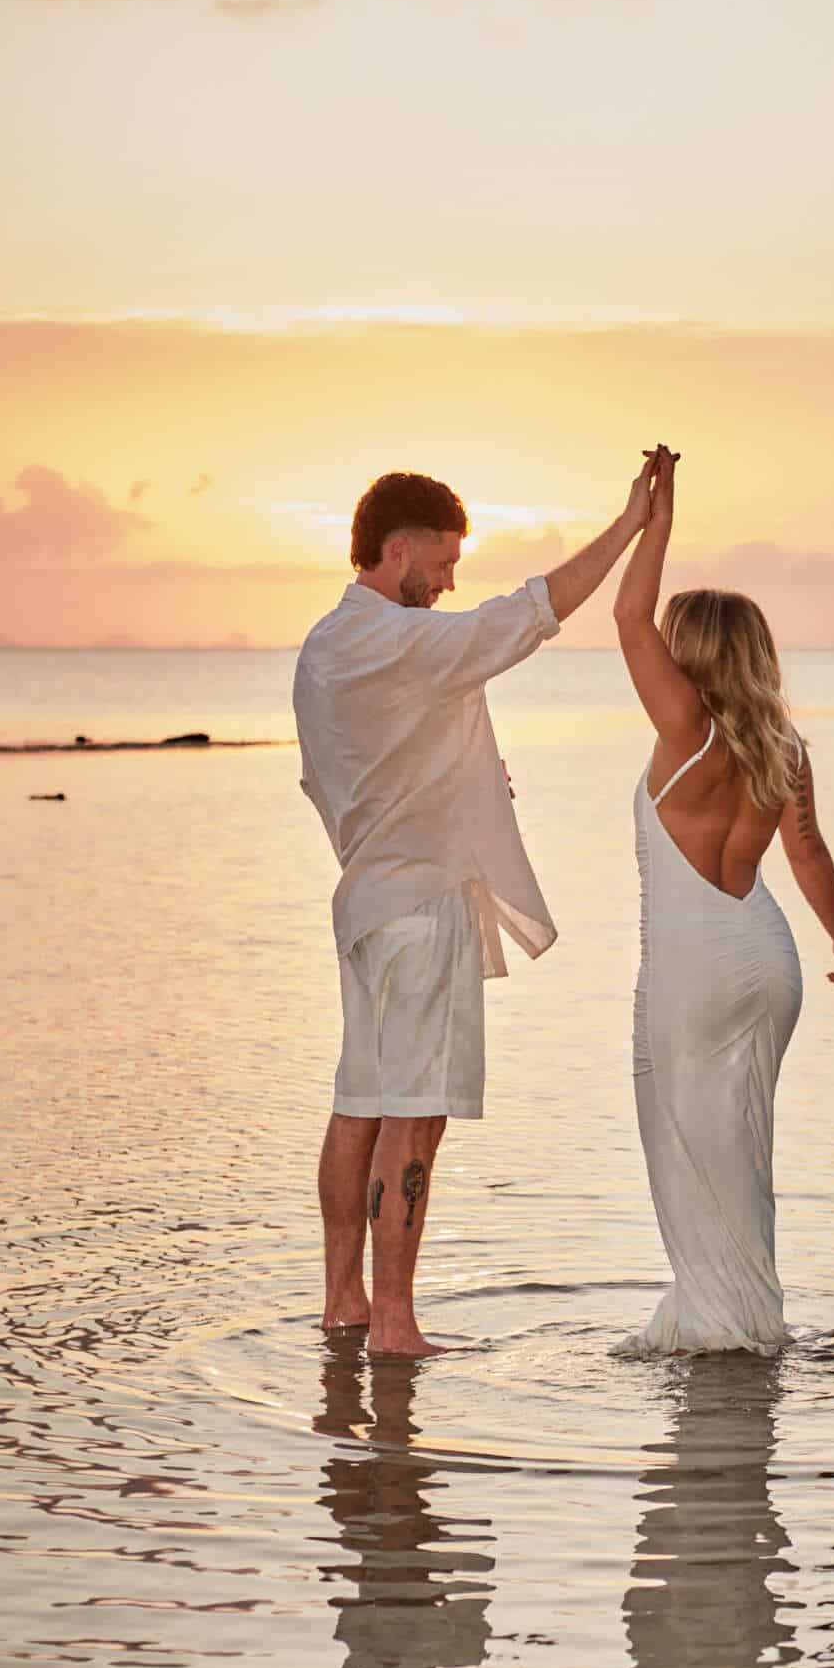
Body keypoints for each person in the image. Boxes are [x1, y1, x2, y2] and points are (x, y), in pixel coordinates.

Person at [294, 456, 668, 1355]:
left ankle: (345, 1302)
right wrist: (629, 528)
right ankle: (395, 1324)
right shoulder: (401, 642)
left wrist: (453, 783)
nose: (451, 580)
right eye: (443, 560)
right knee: (414, 1112)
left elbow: (343, 775)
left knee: (361, 1104)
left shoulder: (327, 648)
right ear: (395, 550)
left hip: (369, 902)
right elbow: (532, 612)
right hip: (422, 906)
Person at [611, 448, 834, 1356]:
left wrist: (653, 514)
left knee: (691, 1155)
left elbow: (627, 612)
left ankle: (726, 1331)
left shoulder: (685, 727)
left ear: (691, 654)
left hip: (695, 972)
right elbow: (807, 850)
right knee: (742, 1156)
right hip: (768, 957)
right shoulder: (780, 743)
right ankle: (750, 1317)